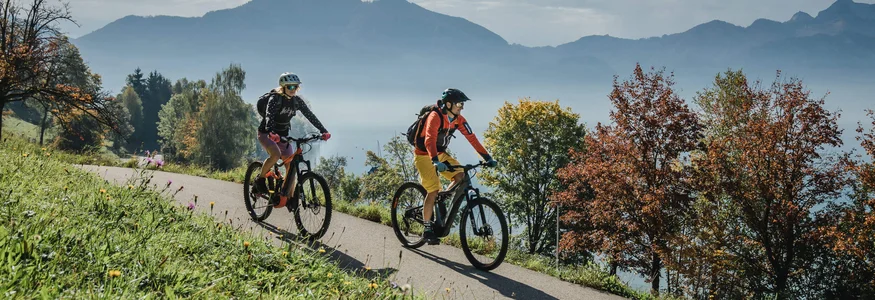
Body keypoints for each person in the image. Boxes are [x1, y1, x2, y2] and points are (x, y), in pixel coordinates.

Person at [413, 88, 497, 245]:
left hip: (440, 154)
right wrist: (435, 161)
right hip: (425, 155)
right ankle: (427, 229)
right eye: (459, 104)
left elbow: (472, 138)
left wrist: (487, 157)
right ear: (449, 104)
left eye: (463, 104)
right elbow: (429, 139)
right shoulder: (435, 116)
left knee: (461, 176)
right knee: (432, 190)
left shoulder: (459, 120)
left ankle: (442, 198)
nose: (461, 107)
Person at [254, 72, 330, 208]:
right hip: (267, 133)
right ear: (283, 87)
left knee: (291, 168)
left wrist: (323, 131)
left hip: (283, 136)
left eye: (295, 86)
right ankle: (260, 179)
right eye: (290, 87)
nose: (293, 89)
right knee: (275, 155)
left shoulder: (296, 101)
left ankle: (288, 197)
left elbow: (310, 115)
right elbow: (269, 116)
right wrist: (271, 131)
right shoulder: (275, 98)